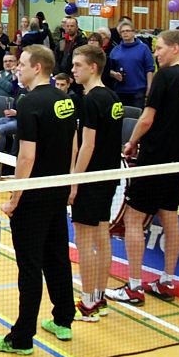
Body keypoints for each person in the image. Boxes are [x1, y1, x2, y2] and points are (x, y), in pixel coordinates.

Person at [106, 30, 179, 305]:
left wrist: (132, 143)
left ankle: (133, 287)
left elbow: (146, 118)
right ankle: (167, 281)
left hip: (154, 160)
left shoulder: (165, 76)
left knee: (134, 219)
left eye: (159, 48)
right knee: (170, 217)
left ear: (175, 48)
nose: (156, 54)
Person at [0, 45, 77, 355]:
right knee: (57, 257)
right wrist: (70, 181)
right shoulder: (65, 101)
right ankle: (64, 320)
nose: (17, 69)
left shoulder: (29, 103)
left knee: (29, 266)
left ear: (37, 68)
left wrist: (15, 198)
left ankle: (21, 338)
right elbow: (73, 144)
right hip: (57, 190)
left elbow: (26, 155)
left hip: (34, 196)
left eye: (22, 64)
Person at [68, 44, 124, 321]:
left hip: (91, 178)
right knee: (102, 238)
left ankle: (88, 303)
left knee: (85, 241)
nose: (73, 69)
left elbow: (87, 146)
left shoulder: (90, 100)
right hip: (108, 177)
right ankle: (99, 298)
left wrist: (75, 181)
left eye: (78, 65)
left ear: (93, 67)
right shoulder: (113, 97)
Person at [109, 21, 155, 109]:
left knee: (137, 118)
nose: (125, 33)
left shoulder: (144, 48)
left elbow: (149, 69)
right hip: (120, 91)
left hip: (139, 91)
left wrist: (149, 88)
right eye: (122, 31)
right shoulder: (115, 50)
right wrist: (114, 74)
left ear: (134, 32)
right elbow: (109, 69)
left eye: (127, 31)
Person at [55, 18, 87, 93]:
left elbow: (83, 62)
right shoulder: (61, 41)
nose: (69, 28)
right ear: (64, 27)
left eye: (72, 26)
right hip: (61, 77)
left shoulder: (82, 42)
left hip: (76, 79)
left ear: (77, 27)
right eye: (67, 26)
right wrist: (57, 74)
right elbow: (55, 59)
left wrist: (72, 77)